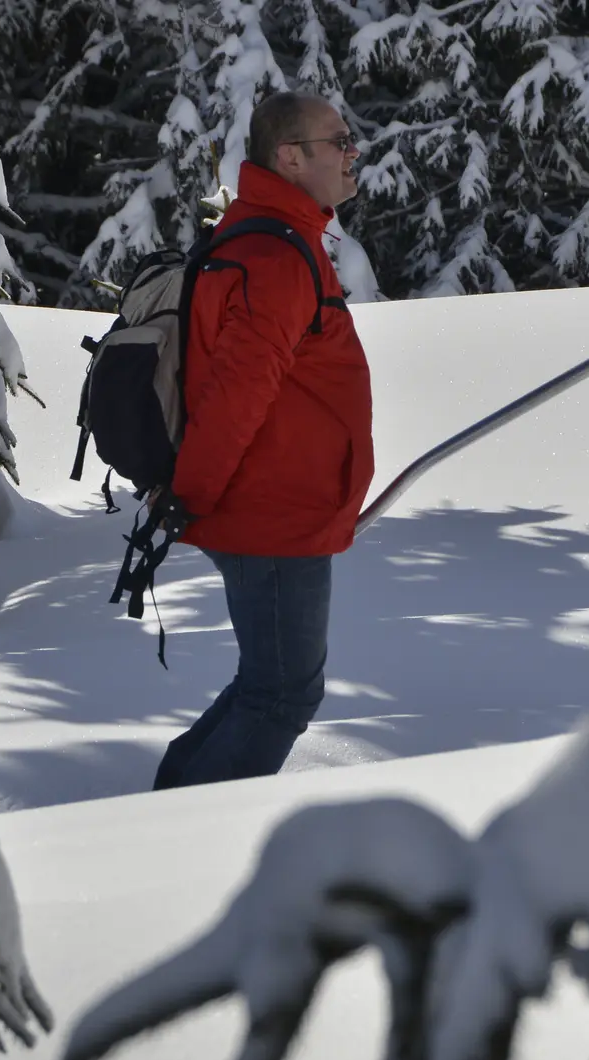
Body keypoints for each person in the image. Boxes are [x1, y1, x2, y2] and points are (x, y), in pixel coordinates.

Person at [150, 91, 375, 790]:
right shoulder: (275, 255)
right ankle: (178, 834)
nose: (351, 152)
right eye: (338, 141)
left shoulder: (270, 235)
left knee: (269, 685)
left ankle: (167, 808)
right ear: (291, 156)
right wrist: (191, 495)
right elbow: (235, 397)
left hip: (276, 509)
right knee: (283, 694)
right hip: (271, 518)